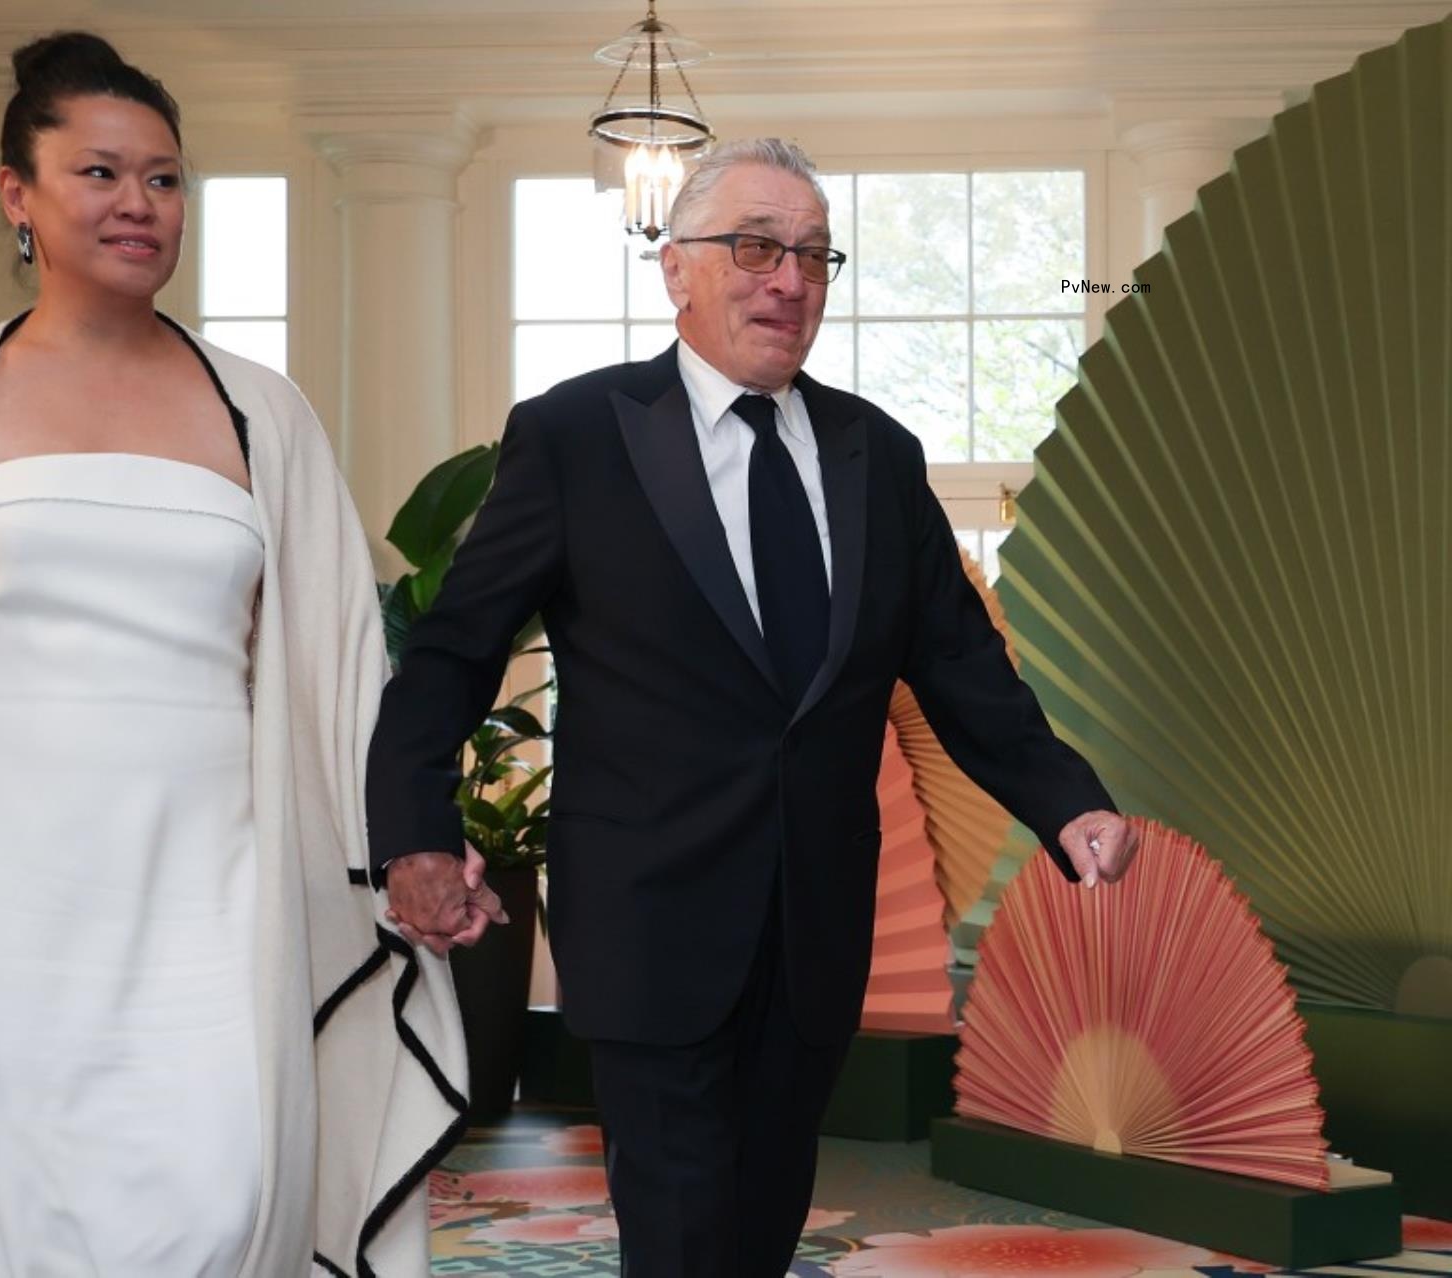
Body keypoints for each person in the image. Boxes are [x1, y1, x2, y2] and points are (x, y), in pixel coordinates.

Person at [0, 32, 464, 1278]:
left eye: (166, 178)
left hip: (210, 885)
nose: (140, 205)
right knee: (8, 1213)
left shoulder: (263, 411)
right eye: (101, 173)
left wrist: (411, 844)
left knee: (223, 1186)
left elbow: (343, 664)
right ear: (17, 195)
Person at [366, 137, 1140, 1277]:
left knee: (761, 1223)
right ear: (676, 268)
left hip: (816, 924)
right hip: (646, 914)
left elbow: (965, 669)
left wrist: (1066, 803)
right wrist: (415, 834)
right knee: (679, 1229)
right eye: (756, 248)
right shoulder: (577, 437)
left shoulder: (878, 455)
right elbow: (452, 650)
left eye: (815, 256)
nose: (789, 279)